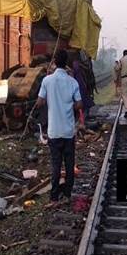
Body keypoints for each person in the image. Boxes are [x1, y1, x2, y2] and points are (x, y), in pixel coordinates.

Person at [36, 49, 83, 206]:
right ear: (67, 63)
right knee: (69, 165)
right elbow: (79, 105)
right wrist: (69, 105)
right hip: (68, 131)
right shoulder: (72, 82)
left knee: (56, 165)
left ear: (54, 62)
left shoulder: (47, 80)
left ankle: (54, 197)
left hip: (54, 132)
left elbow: (40, 102)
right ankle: (67, 195)